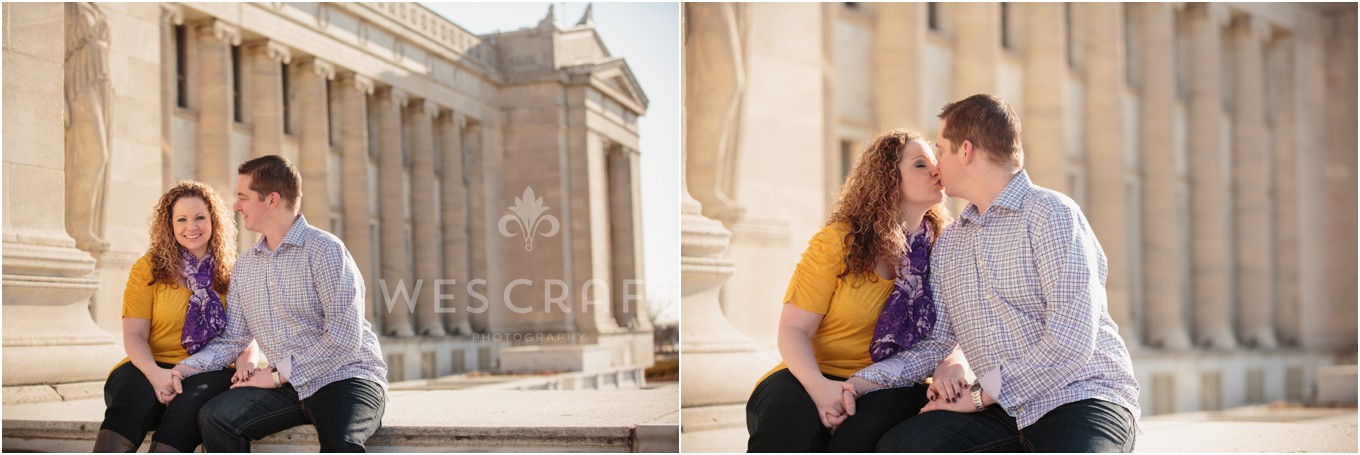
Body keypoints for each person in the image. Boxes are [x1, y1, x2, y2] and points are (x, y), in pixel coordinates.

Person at [847, 94, 1140, 452]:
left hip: (1081, 397)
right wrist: (860, 383)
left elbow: (1070, 341)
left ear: (966, 151)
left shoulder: (1053, 215)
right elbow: (936, 344)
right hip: (999, 411)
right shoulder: (951, 243)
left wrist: (980, 394)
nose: (936, 165)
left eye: (941, 150)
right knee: (900, 447)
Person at [746, 129, 970, 452]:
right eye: (920, 164)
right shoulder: (838, 242)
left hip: (893, 383)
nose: (936, 170)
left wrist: (951, 364)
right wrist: (821, 389)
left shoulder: (942, 251)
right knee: (789, 432)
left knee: (858, 440)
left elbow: (950, 335)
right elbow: (793, 330)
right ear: (888, 181)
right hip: (809, 373)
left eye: (935, 162)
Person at [173, 155, 388, 452]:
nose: (236, 206)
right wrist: (184, 369)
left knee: (342, 444)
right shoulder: (246, 266)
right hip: (287, 387)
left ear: (272, 199)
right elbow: (233, 338)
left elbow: (343, 339)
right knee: (215, 417)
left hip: (346, 377)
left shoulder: (326, 250)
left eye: (243, 197)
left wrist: (276, 374)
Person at [95, 181, 260, 452]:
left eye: (199, 218)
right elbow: (134, 334)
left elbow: (243, 336)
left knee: (185, 413)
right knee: (129, 405)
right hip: (148, 364)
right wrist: (157, 375)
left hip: (208, 369)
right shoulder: (149, 268)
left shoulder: (233, 273)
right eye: (181, 219)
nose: (190, 227)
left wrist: (247, 364)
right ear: (169, 225)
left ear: (214, 221)